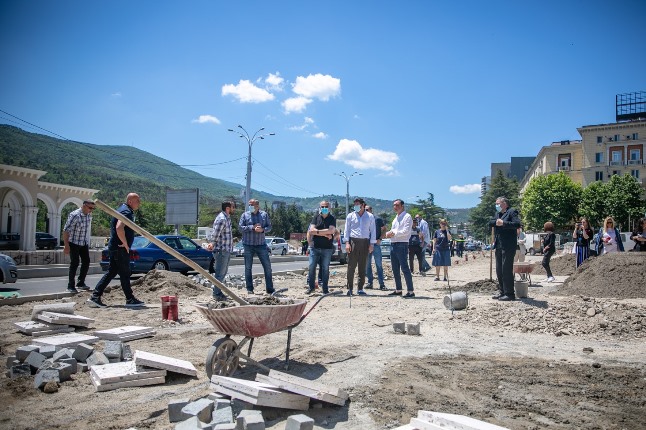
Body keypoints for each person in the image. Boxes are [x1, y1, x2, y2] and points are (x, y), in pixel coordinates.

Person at [87, 193, 145, 308]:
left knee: (112, 272)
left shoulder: (123, 210)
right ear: (130, 201)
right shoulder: (126, 212)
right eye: (137, 201)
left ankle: (95, 296)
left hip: (115, 247)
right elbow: (119, 227)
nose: (139, 203)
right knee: (124, 273)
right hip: (120, 248)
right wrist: (125, 243)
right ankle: (129, 299)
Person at [238, 199, 275, 294]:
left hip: (261, 245)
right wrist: (252, 227)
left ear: (257, 206)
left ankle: (270, 289)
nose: (250, 206)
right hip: (248, 245)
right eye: (249, 204)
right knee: (248, 267)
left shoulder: (264, 215)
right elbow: (240, 228)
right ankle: (249, 289)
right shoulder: (245, 215)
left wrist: (262, 230)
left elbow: (269, 227)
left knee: (267, 267)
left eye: (252, 205)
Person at [488, 196, 521, 301]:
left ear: (504, 204)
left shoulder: (511, 212)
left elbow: (517, 224)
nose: (496, 206)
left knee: (506, 269)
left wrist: (504, 223)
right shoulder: (497, 214)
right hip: (499, 245)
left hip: (508, 245)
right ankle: (502, 291)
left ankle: (510, 293)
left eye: (498, 204)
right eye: (496, 204)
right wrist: (496, 222)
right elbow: (491, 222)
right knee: (499, 270)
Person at [343, 198, 376, 296]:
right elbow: (346, 230)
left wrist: (372, 244)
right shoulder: (350, 216)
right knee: (351, 266)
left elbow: (373, 231)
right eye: (355, 205)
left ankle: (360, 288)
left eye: (358, 204)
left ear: (363, 205)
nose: (356, 206)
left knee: (362, 266)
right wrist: (347, 243)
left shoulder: (370, 216)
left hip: (365, 242)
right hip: (353, 241)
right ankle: (350, 289)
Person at [63, 200, 95, 294]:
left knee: (86, 261)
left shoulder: (88, 215)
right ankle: (70, 285)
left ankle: (81, 282)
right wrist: (66, 245)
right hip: (74, 242)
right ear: (84, 206)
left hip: (83, 242)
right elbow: (66, 230)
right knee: (75, 263)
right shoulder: (75, 215)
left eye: (93, 208)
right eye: (90, 208)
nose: (91, 210)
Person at [384, 199, 415, 298]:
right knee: (395, 269)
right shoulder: (395, 218)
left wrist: (393, 233)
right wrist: (388, 234)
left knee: (405, 268)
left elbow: (406, 231)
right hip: (393, 244)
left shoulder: (407, 217)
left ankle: (410, 291)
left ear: (402, 206)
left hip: (402, 244)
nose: (395, 207)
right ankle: (398, 289)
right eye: (394, 205)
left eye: (397, 205)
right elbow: (393, 230)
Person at [206, 201, 235, 301]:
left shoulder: (226, 218)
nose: (233, 209)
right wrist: (212, 243)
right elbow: (215, 233)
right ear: (228, 208)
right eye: (232, 207)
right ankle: (216, 294)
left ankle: (218, 292)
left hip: (225, 249)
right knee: (220, 273)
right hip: (221, 250)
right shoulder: (222, 219)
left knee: (222, 272)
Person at [306, 200, 336, 294]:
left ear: (329, 208)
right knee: (311, 267)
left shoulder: (332, 218)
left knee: (325, 268)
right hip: (315, 247)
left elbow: (331, 231)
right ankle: (311, 287)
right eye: (322, 207)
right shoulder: (316, 217)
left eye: (326, 206)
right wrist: (324, 234)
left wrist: (318, 232)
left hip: (327, 248)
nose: (324, 208)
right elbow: (311, 230)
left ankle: (325, 289)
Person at [365, 205, 387, 290]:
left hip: (376, 244)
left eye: (367, 209)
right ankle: (370, 283)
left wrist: (380, 238)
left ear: (371, 210)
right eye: (365, 210)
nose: (366, 211)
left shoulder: (377, 219)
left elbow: (384, 229)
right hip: (366, 244)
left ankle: (381, 284)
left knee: (378, 264)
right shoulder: (363, 220)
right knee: (367, 265)